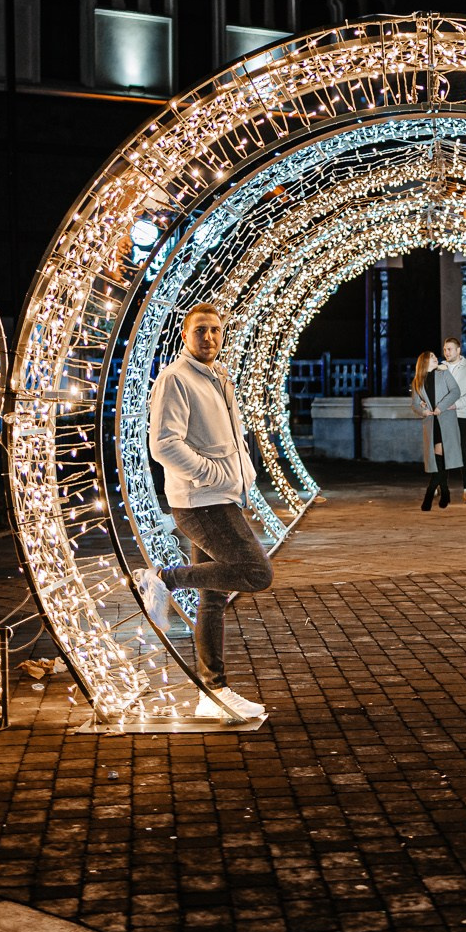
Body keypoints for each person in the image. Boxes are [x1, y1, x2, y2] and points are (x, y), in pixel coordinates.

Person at [135, 302, 274, 718]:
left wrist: (242, 473)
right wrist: (213, 474)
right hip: (201, 502)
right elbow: (164, 445)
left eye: (215, 330)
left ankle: (211, 694)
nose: (209, 337)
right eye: (200, 330)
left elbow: (232, 436)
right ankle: (162, 578)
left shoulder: (220, 376)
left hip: (222, 496)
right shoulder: (175, 379)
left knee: (212, 599)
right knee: (256, 572)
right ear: (184, 335)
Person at [410, 351, 465, 510]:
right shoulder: (417, 382)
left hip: (445, 421)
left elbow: (455, 391)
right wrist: (423, 411)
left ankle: (429, 496)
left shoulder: (444, 373)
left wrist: (440, 407)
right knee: (438, 461)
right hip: (430, 423)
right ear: (424, 361)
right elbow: (414, 404)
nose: (435, 358)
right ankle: (446, 492)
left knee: (441, 459)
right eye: (431, 356)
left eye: (435, 356)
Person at [439, 338, 466, 503]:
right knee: (441, 450)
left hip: (461, 415)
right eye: (445, 349)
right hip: (442, 414)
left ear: (458, 350)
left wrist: (456, 405)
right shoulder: (439, 368)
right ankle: (441, 485)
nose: (447, 352)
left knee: (463, 449)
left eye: (450, 349)